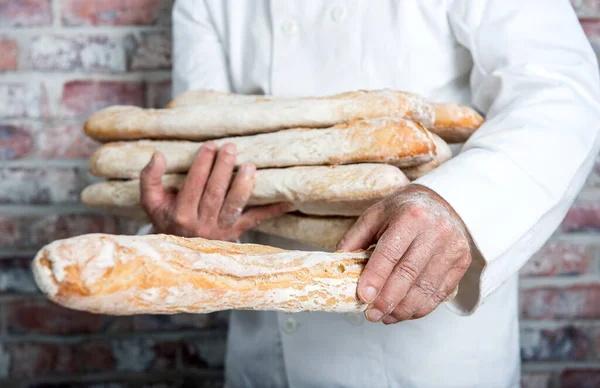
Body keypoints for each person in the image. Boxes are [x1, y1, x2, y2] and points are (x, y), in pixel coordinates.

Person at [137, 1, 600, 387]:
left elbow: (559, 91)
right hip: (268, 355)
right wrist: (188, 227)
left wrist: (459, 205)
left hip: (430, 358)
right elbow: (200, 130)